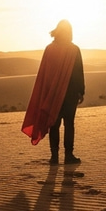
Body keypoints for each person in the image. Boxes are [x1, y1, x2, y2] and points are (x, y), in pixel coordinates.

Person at [21, 20, 85, 165]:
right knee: (69, 124)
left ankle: (54, 157)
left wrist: (46, 92)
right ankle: (69, 155)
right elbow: (78, 72)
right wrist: (81, 91)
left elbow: (45, 73)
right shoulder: (74, 49)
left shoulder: (50, 49)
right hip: (70, 93)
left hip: (53, 93)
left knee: (54, 124)